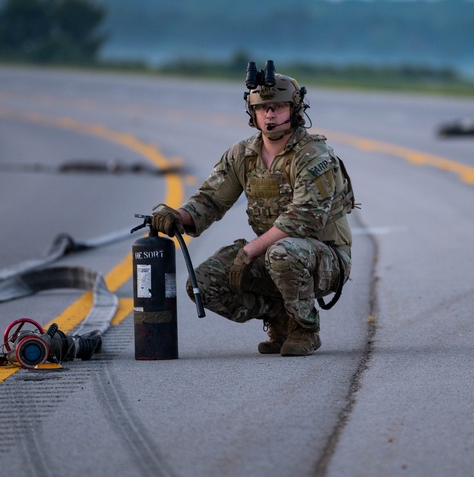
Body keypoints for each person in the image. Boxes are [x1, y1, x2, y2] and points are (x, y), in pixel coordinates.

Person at [151, 61, 355, 357]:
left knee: (281, 252)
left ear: (295, 110)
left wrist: (248, 252)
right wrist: (177, 217)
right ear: (252, 113)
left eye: (278, 107)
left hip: (324, 259)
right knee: (204, 283)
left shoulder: (314, 156)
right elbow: (209, 201)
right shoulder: (242, 154)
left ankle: (305, 328)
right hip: (273, 255)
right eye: (262, 108)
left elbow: (304, 218)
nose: (269, 114)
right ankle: (279, 316)